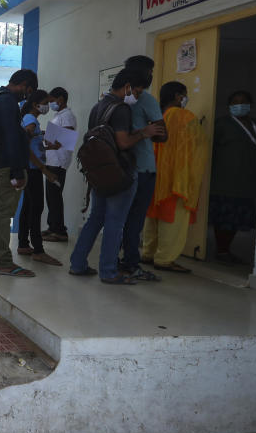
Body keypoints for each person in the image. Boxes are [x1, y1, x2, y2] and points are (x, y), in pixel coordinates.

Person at [69, 69, 165, 284]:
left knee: (96, 218)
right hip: (119, 172)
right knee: (115, 222)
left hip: (99, 171)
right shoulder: (121, 109)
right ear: (128, 86)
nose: (137, 96)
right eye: (137, 91)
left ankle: (78, 263)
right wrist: (144, 133)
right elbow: (123, 142)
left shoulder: (98, 107)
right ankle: (109, 271)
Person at [141, 82, 207, 273]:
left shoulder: (157, 117)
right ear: (179, 97)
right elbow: (197, 147)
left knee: (152, 216)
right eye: (185, 95)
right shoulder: (186, 117)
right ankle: (164, 259)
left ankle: (148, 253)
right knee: (173, 219)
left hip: (155, 175)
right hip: (177, 177)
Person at [0, 69, 38, 277]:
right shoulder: (8, 103)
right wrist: (17, 171)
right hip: (8, 165)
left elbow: (2, 133)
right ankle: (5, 262)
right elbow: (10, 138)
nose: (26, 96)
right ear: (22, 84)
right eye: (28, 91)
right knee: (4, 213)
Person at [119, 55, 169, 279]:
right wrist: (146, 130)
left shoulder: (113, 98)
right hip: (143, 166)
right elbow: (162, 134)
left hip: (118, 166)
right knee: (135, 218)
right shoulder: (146, 99)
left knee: (118, 216)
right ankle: (131, 262)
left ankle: (115, 259)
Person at [209, 90, 256, 265]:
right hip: (224, 179)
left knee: (237, 218)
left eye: (244, 101)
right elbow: (211, 150)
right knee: (224, 217)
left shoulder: (255, 124)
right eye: (235, 102)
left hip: (246, 179)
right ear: (229, 106)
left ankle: (226, 249)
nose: (239, 104)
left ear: (250, 105)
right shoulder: (223, 124)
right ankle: (222, 250)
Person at [17, 90, 63, 266]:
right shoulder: (30, 120)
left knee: (28, 207)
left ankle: (23, 244)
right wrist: (45, 170)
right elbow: (26, 148)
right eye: (45, 102)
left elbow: (33, 145)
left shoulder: (30, 120)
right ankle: (38, 250)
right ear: (36, 105)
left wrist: (48, 147)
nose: (47, 106)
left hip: (30, 169)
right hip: (33, 170)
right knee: (36, 209)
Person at [43, 87, 76, 242]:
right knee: (50, 196)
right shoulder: (59, 115)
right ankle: (52, 227)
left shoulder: (67, 115)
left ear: (60, 99)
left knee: (55, 196)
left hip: (58, 162)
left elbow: (66, 139)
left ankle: (60, 231)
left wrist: (50, 143)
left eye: (51, 101)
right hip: (51, 161)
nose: (50, 105)